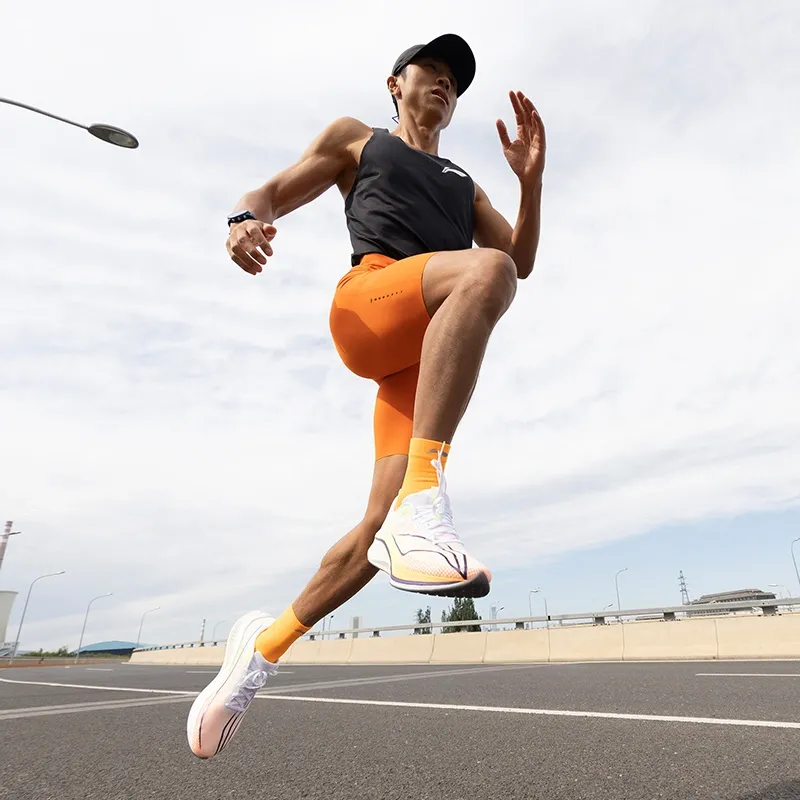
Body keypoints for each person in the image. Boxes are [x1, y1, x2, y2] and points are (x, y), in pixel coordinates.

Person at [187, 33, 545, 759]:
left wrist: (530, 183)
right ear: (395, 84)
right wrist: (242, 220)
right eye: (430, 70)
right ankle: (426, 499)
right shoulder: (359, 140)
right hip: (370, 303)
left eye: (453, 80)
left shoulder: (465, 183)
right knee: (485, 272)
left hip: (420, 353)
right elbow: (271, 191)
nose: (443, 83)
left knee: (379, 532)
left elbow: (523, 259)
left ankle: (259, 652)